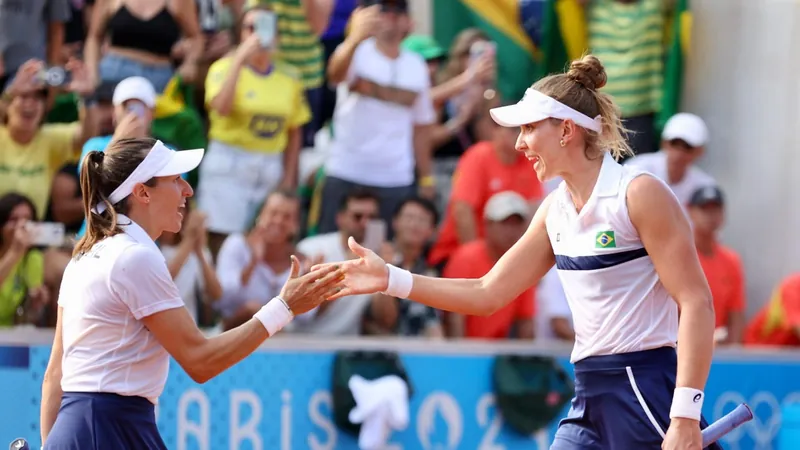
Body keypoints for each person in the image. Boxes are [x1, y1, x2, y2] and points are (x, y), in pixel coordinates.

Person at [317, 55, 719, 450]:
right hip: (589, 389)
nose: (520, 143)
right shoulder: (554, 210)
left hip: (644, 388)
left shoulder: (639, 193)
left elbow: (696, 301)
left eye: (528, 128)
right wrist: (390, 278)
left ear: (566, 131)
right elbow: (486, 293)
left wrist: (684, 416)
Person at [40, 137, 343, 449]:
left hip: (86, 430)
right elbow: (201, 361)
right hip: (109, 430)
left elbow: (54, 376)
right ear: (142, 192)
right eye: (176, 180)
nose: (188, 190)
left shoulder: (86, 256)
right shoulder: (133, 257)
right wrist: (285, 306)